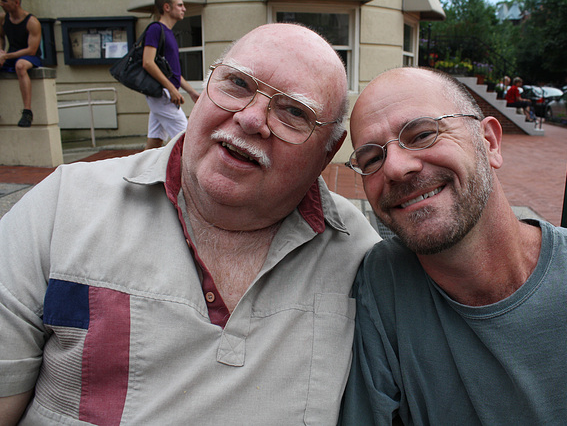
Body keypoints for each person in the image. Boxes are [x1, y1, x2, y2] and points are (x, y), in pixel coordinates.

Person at [0, 23, 381, 424]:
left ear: (329, 152)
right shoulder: (64, 205)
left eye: (293, 112)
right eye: (237, 83)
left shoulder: (360, 257)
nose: (251, 119)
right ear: (206, 86)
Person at [340, 66, 567, 424]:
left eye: (422, 134)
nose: (395, 168)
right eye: (372, 159)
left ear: (490, 142)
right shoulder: (382, 280)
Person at [142, 0, 200, 150]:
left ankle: (140, 173)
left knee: (155, 142)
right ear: (167, 7)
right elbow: (148, 62)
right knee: (187, 139)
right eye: (180, 5)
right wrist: (172, 89)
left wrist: (192, 92)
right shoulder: (155, 29)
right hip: (163, 94)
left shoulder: (168, 33)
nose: (184, 9)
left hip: (164, 94)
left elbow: (173, 73)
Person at [0, 0, 41, 127]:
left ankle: (27, 112)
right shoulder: (2, 19)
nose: (1, 4)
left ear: (16, 2)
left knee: (20, 66)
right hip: (10, 55)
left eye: (5, 1)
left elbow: (31, 50)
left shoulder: (32, 22)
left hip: (29, 57)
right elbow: (0, 36)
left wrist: (6, 55)